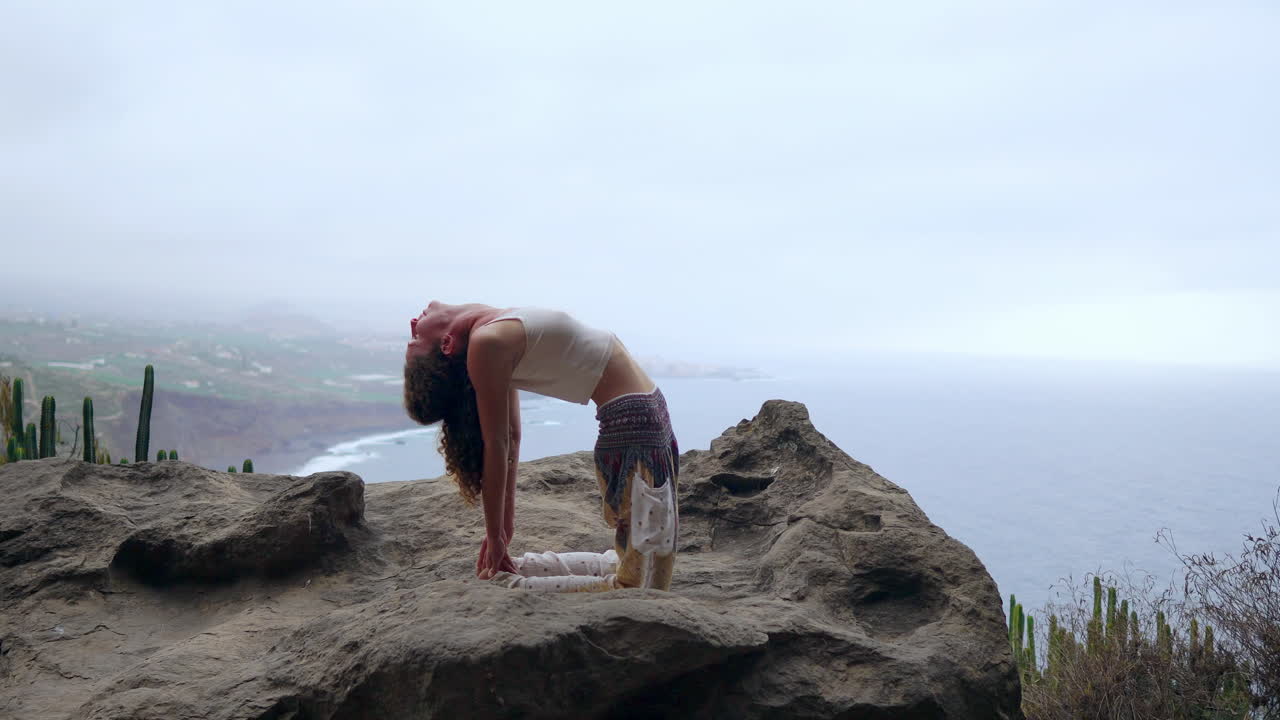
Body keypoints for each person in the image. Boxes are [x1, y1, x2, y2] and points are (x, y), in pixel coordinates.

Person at [402, 302, 679, 592]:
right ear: (446, 343)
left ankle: (515, 571)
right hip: (634, 425)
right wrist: (496, 535)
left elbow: (512, 436)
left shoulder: (492, 329)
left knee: (641, 565)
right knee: (640, 587)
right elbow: (499, 444)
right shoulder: (488, 342)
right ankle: (509, 582)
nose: (413, 321)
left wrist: (503, 531)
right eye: (416, 338)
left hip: (644, 419)